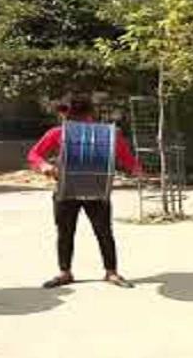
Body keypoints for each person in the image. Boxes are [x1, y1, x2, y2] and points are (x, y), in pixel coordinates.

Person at [28, 97, 143, 289]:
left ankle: (107, 272)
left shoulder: (108, 135)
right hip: (68, 190)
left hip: (96, 191)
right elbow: (35, 155)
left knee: (99, 232)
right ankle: (71, 272)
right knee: (71, 232)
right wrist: (44, 166)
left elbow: (128, 159)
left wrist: (135, 169)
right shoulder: (58, 133)